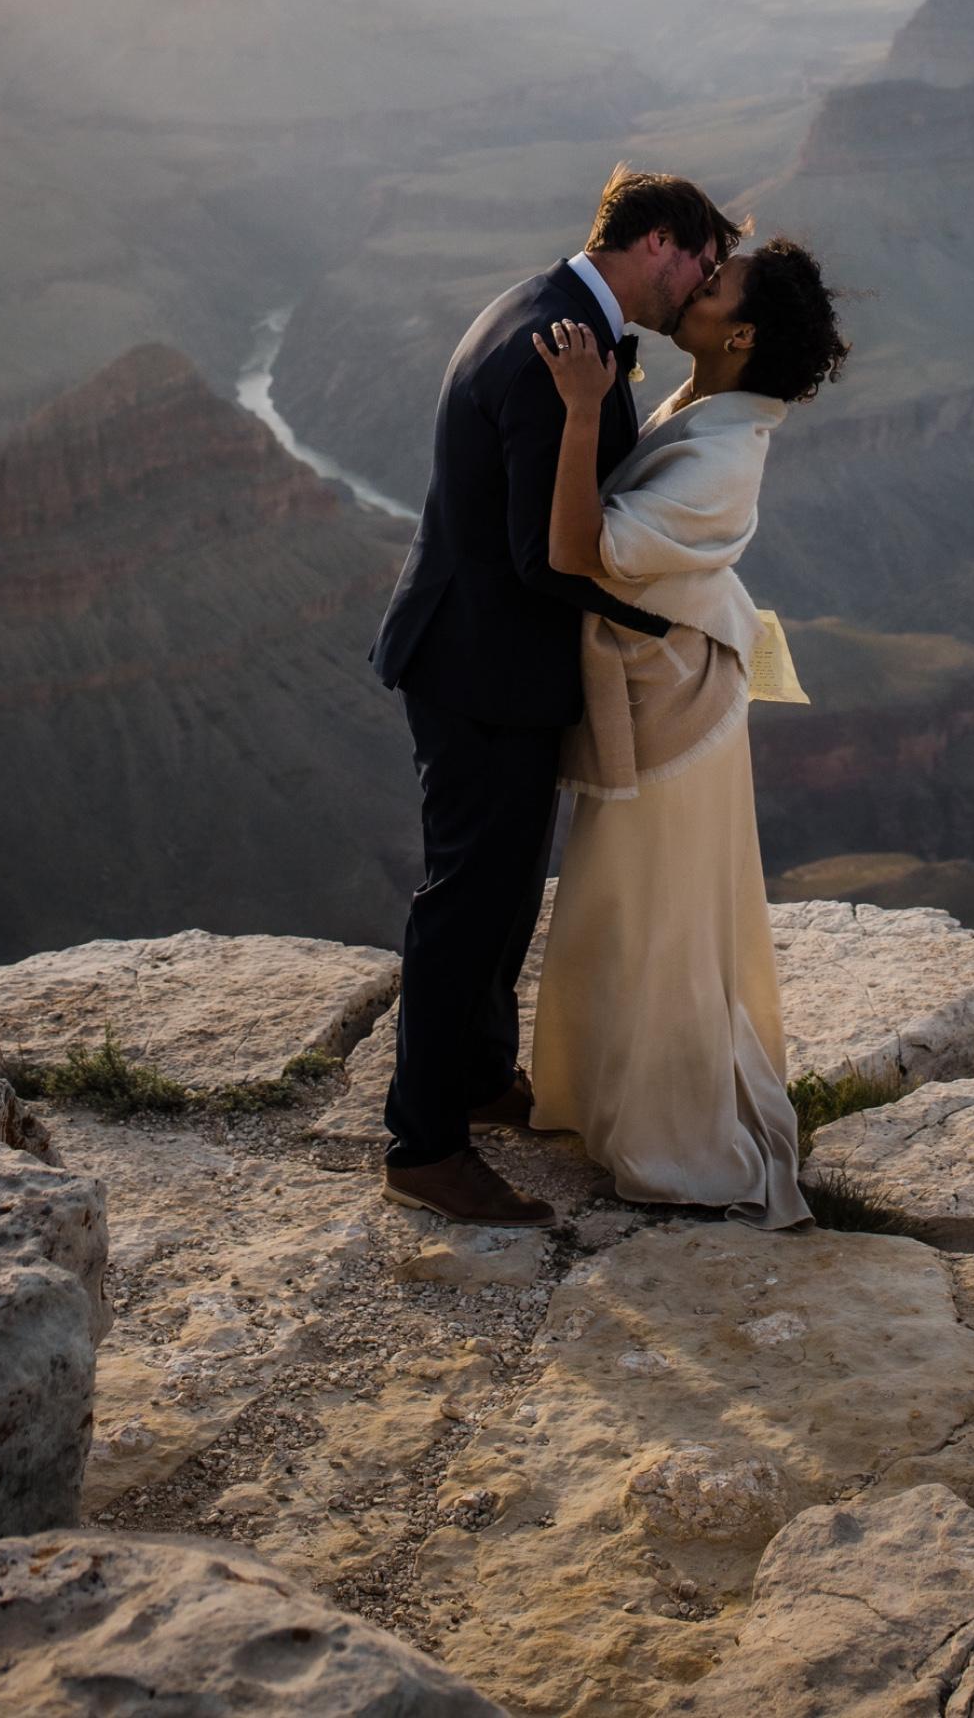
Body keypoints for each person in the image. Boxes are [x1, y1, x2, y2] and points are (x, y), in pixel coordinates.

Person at [371, 166, 741, 1227]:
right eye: (703, 266)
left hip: (489, 663)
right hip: (479, 669)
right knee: (467, 901)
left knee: (497, 894)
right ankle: (424, 1145)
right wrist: (675, 619)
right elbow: (546, 558)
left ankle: (481, 1078)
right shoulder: (558, 351)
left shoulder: (557, 309)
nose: (702, 291)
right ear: (661, 244)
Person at [527, 237, 851, 1227]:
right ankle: (606, 1098)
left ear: (739, 335)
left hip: (677, 717)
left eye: (713, 289)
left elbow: (580, 550)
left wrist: (583, 408)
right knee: (629, 909)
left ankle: (676, 1141)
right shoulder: (708, 409)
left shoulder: (719, 460)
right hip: (677, 690)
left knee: (658, 920)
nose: (693, 290)